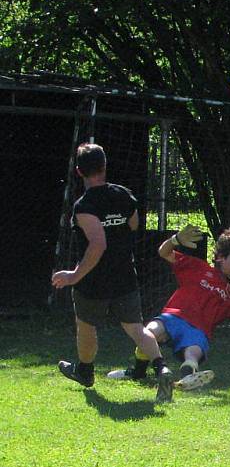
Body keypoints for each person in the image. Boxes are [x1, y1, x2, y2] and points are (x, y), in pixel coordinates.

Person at [108, 225, 230, 399]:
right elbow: (163, 252)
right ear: (220, 258)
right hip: (172, 317)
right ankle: (138, 372)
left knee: (192, 355)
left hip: (198, 332)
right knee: (148, 332)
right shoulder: (197, 267)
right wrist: (175, 239)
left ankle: (187, 377)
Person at [52, 143, 173, 402]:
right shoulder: (124, 195)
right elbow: (133, 225)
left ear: (78, 171)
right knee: (136, 329)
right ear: (104, 167)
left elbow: (98, 244)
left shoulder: (84, 206)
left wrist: (74, 275)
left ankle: (85, 372)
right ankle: (161, 366)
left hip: (94, 281)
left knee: (86, 326)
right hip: (124, 276)